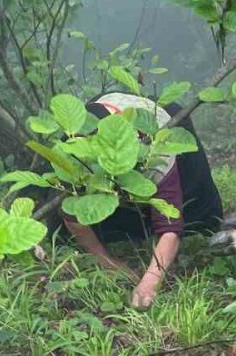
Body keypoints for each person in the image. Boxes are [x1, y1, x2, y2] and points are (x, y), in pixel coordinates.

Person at [62, 92, 221, 309]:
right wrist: (107, 262)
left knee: (195, 202)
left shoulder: (155, 152)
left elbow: (169, 227)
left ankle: (205, 227)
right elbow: (73, 215)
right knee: (80, 222)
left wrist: (148, 284)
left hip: (162, 120)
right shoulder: (74, 151)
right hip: (106, 111)